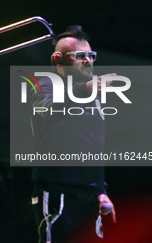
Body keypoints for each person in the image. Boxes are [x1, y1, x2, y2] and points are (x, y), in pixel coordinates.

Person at [30, 25, 116, 243]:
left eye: (90, 55)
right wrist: (82, 91)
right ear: (59, 60)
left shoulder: (92, 96)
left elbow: (95, 146)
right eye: (80, 56)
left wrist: (100, 190)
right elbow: (48, 109)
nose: (88, 61)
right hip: (57, 191)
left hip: (88, 195)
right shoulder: (45, 84)